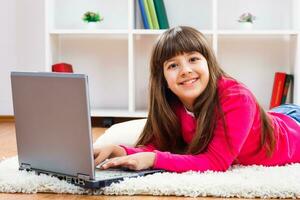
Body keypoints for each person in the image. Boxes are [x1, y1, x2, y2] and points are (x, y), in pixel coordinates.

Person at [94, 26, 300, 173]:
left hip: (293, 126)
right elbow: (156, 146)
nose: (185, 70)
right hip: (277, 114)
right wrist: (117, 150)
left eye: (193, 59)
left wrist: (154, 160)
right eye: (173, 65)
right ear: (163, 78)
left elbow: (216, 161)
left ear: (209, 64)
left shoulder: (237, 98)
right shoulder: (172, 102)